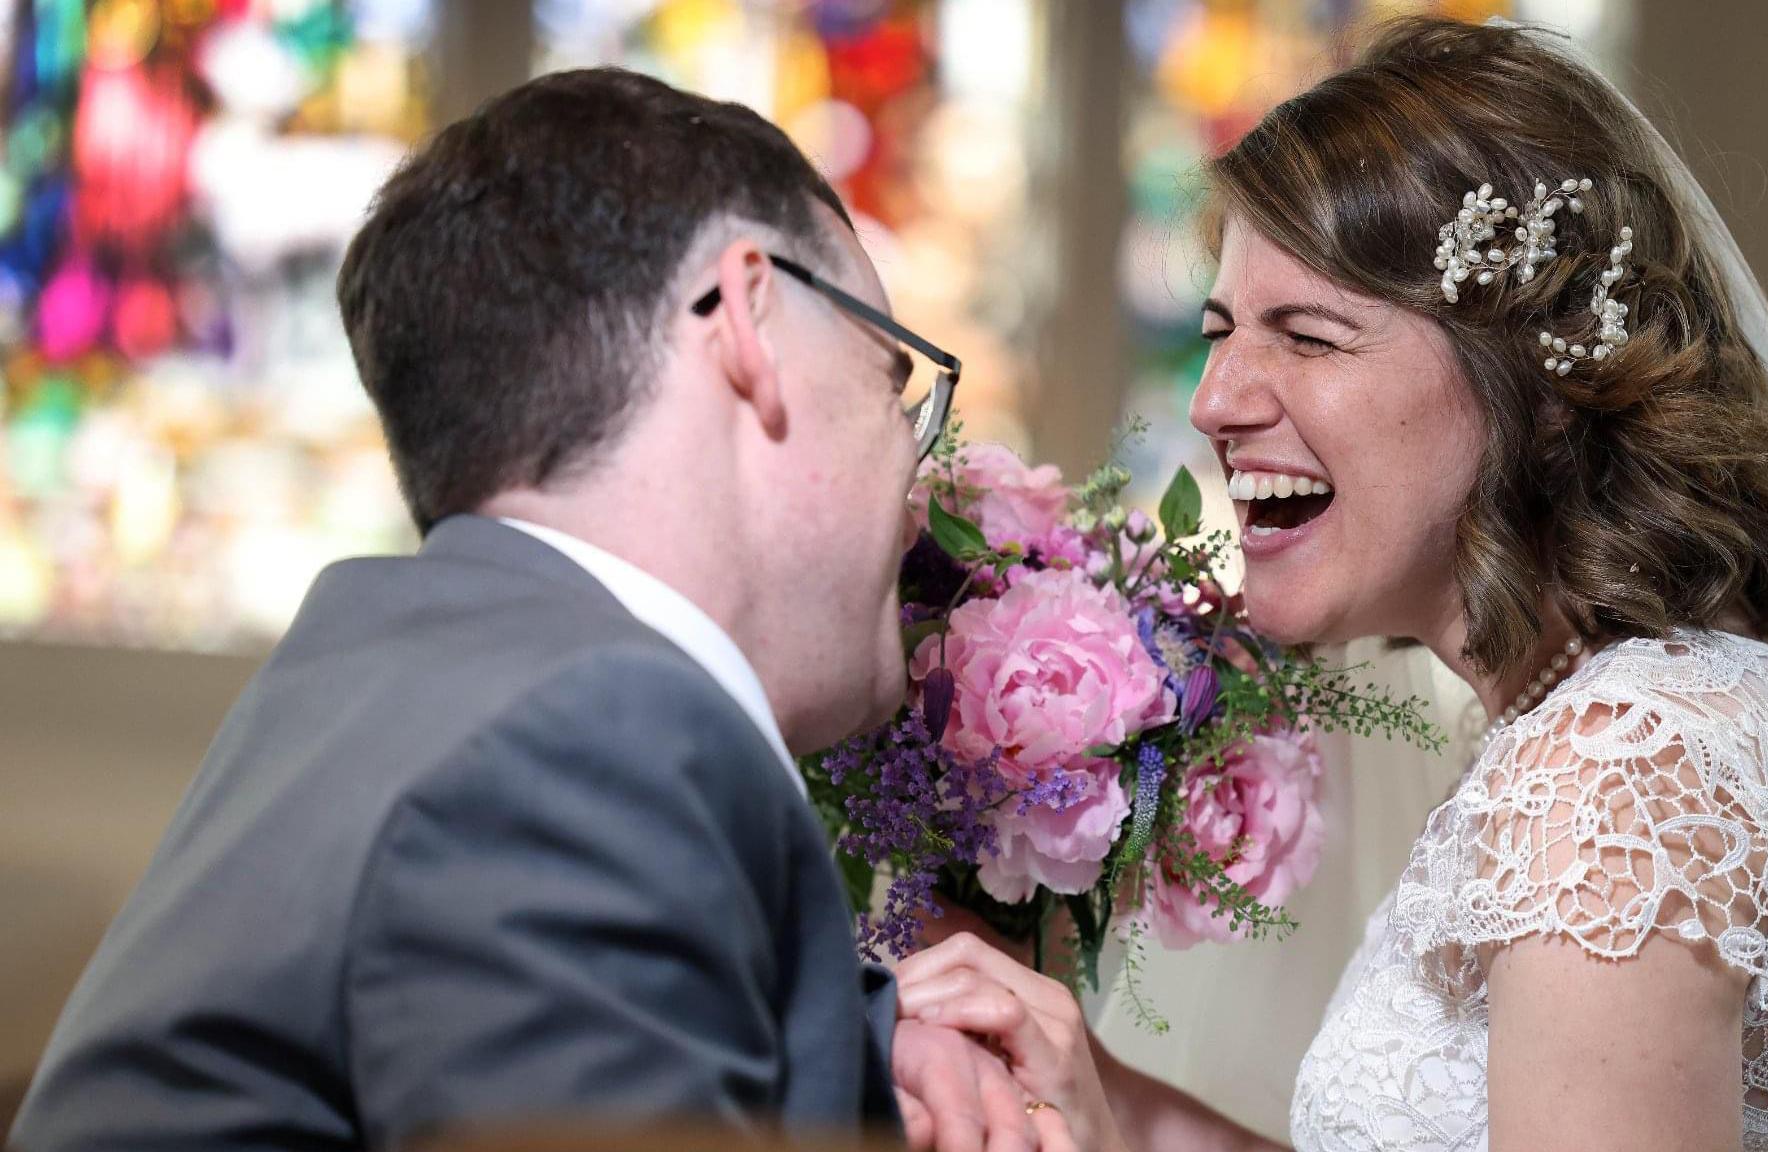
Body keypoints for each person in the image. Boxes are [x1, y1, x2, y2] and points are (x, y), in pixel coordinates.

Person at [891, 17, 1768, 1152]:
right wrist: (1101, 1094)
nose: (1214, 398)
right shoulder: (1612, 721)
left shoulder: (1620, 779)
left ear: (1530, 383)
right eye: (1219, 331)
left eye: (1308, 336)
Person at [10, 68, 1041, 1152]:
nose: (916, 476)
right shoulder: (595, 734)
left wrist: (859, 1039)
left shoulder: (397, 669)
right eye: (891, 380)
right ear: (747, 319)